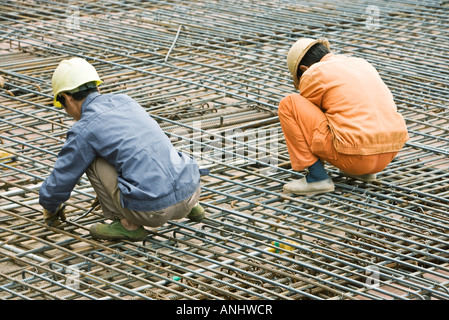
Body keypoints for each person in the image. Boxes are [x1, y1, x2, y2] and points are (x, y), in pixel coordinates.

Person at [39, 57, 205, 241]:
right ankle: (192, 207)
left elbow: (63, 176)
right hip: (191, 189)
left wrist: (50, 206)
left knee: (91, 159)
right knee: (145, 145)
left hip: (153, 210)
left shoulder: (84, 128)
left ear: (67, 99)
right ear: (97, 87)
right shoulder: (126, 101)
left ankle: (128, 224)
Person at [278, 38, 409, 195]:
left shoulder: (314, 73)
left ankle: (317, 178)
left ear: (304, 69)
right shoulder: (362, 64)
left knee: (289, 104)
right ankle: (364, 172)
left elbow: (308, 120)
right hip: (389, 153)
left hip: (355, 157)